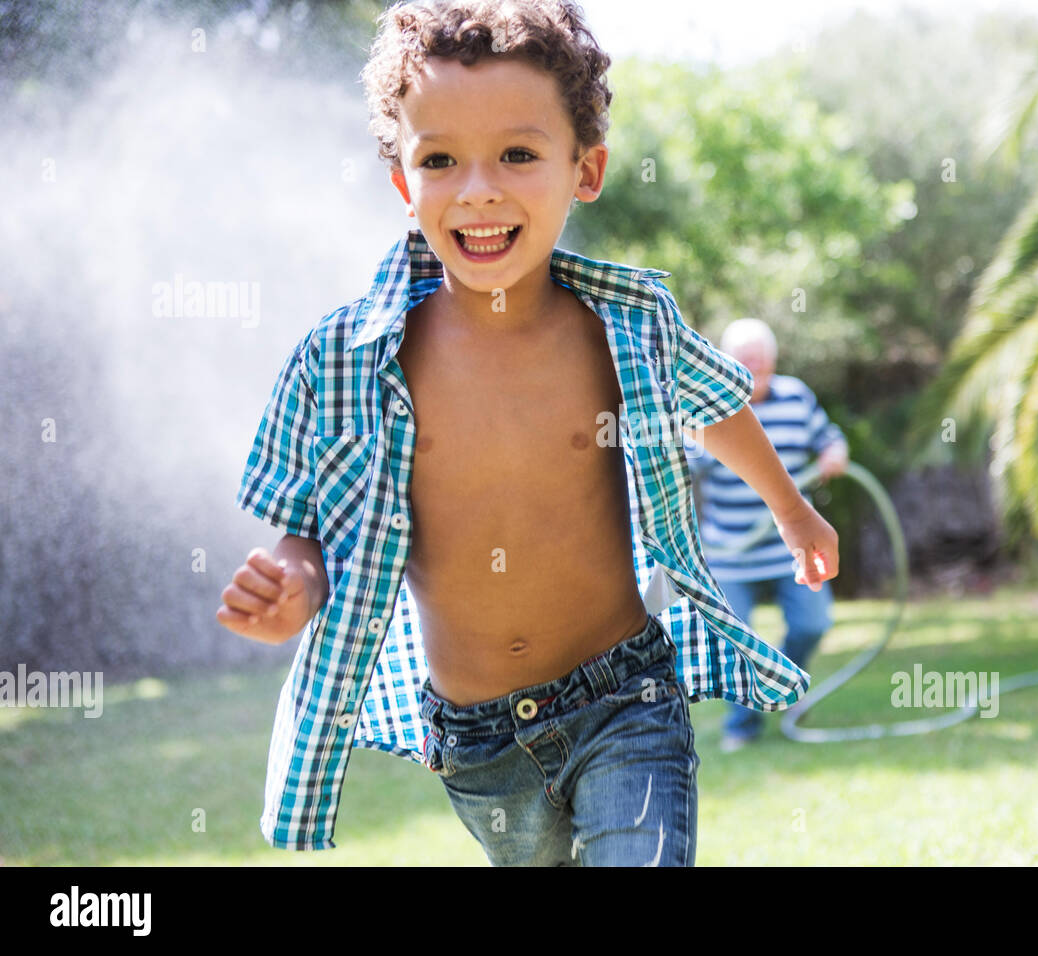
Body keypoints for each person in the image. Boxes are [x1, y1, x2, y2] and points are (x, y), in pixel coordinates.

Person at [216, 0, 838, 866]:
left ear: (585, 170)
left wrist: (791, 508)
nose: (477, 189)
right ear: (403, 181)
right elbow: (306, 523)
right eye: (440, 159)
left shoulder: (620, 326)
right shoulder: (345, 358)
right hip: (477, 738)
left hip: (625, 694)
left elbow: (716, 402)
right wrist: (291, 576)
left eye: (517, 153)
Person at [688, 318, 850, 752]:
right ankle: (742, 726)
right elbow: (687, 461)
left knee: (812, 622)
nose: (754, 364)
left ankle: (785, 689)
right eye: (744, 357)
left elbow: (828, 436)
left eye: (760, 356)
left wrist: (834, 451)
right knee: (737, 643)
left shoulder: (796, 397)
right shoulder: (711, 405)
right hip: (729, 551)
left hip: (790, 550)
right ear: (727, 362)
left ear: (774, 359)